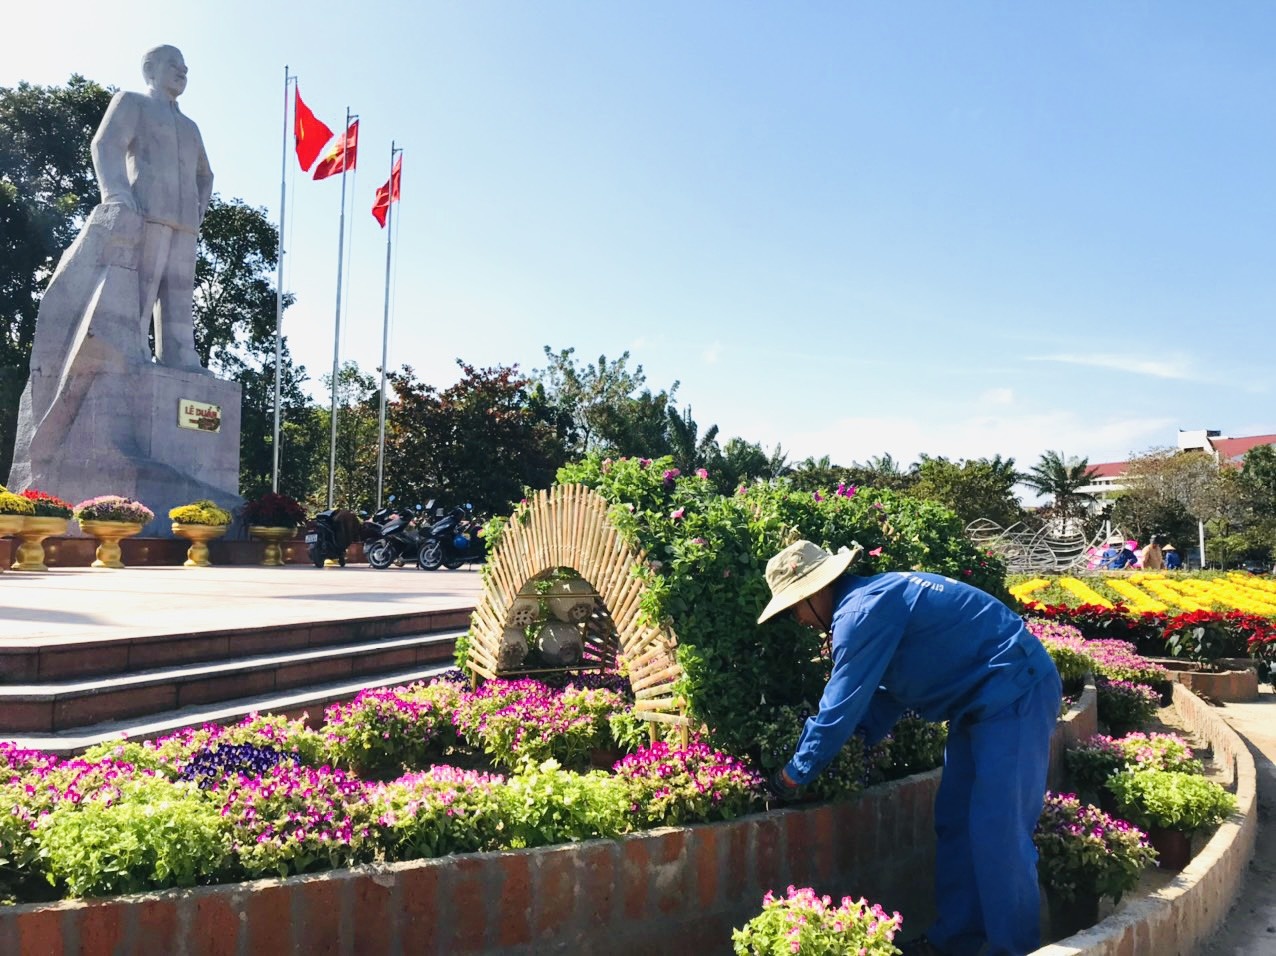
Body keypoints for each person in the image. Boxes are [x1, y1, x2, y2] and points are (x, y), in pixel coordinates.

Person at [759, 540, 1062, 956]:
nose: (798, 620)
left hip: (1015, 691)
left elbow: (837, 710)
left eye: (795, 608)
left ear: (813, 593)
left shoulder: (859, 614)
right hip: (978, 703)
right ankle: (956, 941)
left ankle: (1012, 949)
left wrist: (791, 776)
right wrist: (858, 745)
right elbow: (886, 694)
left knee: (998, 830)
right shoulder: (869, 601)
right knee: (955, 821)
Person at [91, 44, 214, 371]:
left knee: (180, 289)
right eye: (174, 64)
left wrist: (199, 207)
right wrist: (116, 193)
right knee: (143, 282)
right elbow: (106, 145)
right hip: (148, 210)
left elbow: (206, 174)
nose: (183, 71)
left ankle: (180, 353)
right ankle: (132, 345)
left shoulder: (190, 126)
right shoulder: (133, 103)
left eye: (185, 67)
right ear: (150, 70)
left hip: (185, 220)